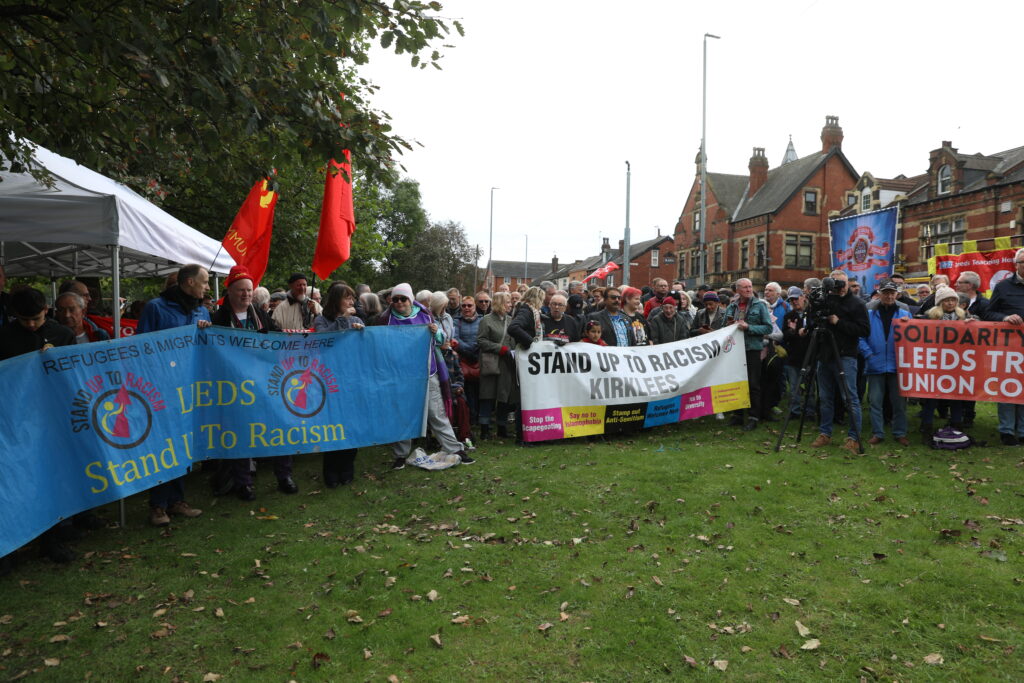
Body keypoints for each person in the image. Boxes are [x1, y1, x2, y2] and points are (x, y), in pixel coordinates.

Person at [0, 288, 78, 568]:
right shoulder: (5, 337)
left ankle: (52, 539)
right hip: (15, 420)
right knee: (17, 479)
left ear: (46, 309)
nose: (31, 324)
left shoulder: (62, 335)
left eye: (35, 318)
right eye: (24, 320)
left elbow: (75, 373)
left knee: (51, 478)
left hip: (51, 418)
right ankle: (12, 545)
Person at [211, 267, 296, 500]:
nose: (246, 295)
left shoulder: (259, 313)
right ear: (229, 292)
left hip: (264, 382)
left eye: (249, 290)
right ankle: (244, 482)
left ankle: (284, 475)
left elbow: (276, 337)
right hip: (236, 386)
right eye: (241, 290)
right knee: (240, 432)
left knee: (279, 426)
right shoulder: (218, 318)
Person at [136, 264, 210, 526]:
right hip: (161, 389)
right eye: (204, 282)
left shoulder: (202, 311)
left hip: (188, 389)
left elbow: (206, 349)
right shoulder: (156, 307)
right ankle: (157, 505)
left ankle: (177, 500)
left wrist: (205, 330)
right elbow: (141, 346)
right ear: (189, 282)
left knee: (182, 445)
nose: (207, 287)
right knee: (162, 445)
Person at [384, 283, 471, 467]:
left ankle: (455, 449)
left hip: (427, 372)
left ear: (410, 299)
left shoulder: (424, 315)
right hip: (401, 376)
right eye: (395, 299)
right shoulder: (386, 319)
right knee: (403, 415)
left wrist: (436, 332)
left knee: (436, 413)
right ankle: (400, 455)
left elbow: (440, 340)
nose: (399, 302)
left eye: (403, 298)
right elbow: (375, 340)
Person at [809, 270, 870, 454]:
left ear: (848, 283)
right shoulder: (826, 300)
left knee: (849, 398)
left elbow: (864, 330)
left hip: (845, 355)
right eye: (836, 284)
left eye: (843, 284)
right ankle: (825, 433)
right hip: (824, 354)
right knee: (825, 397)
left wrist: (839, 322)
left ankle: (854, 438)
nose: (840, 288)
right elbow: (813, 321)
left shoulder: (857, 303)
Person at [313, 283, 365, 486]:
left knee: (351, 424)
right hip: (330, 381)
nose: (351, 302)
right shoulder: (320, 320)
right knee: (333, 425)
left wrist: (361, 333)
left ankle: (347, 467)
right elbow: (323, 340)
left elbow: (365, 346)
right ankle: (331, 470)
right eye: (347, 298)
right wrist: (342, 321)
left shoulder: (357, 319)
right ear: (336, 300)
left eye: (353, 298)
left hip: (351, 380)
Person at [859, 280, 911, 446]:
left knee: (899, 404)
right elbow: (860, 336)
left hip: (898, 366)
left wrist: (906, 357)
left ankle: (900, 432)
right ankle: (878, 433)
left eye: (892, 292)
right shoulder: (869, 312)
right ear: (879, 293)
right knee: (875, 402)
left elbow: (913, 337)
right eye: (885, 292)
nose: (889, 296)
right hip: (875, 364)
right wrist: (868, 354)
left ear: (897, 294)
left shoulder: (904, 313)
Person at [984, 249, 1024, 444]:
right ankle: (1007, 431)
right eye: (1023, 262)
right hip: (1009, 349)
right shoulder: (1002, 287)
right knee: (1008, 388)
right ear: (1016, 264)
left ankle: (1023, 431)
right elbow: (989, 313)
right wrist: (1005, 318)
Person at [722, 278, 774, 430]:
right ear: (737, 290)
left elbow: (768, 328)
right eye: (745, 287)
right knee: (736, 383)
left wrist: (748, 327)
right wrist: (729, 326)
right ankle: (737, 415)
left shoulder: (760, 305)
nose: (749, 290)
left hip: (752, 349)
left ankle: (753, 417)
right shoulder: (732, 306)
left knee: (753, 384)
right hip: (735, 350)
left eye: (750, 287)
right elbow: (723, 327)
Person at [921, 286, 969, 437]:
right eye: (947, 300)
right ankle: (927, 424)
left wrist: (975, 323)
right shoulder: (930, 316)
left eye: (953, 300)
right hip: (935, 361)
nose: (950, 303)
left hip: (957, 361)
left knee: (956, 394)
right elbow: (917, 328)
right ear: (940, 302)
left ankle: (956, 422)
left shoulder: (964, 317)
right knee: (932, 395)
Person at [476, 291, 515, 440]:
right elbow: (481, 340)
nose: (510, 305)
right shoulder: (486, 320)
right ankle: (484, 430)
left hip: (506, 364)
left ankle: (502, 428)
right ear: (499, 303)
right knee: (487, 396)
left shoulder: (511, 320)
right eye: (507, 302)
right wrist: (499, 348)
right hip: (490, 362)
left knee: (503, 396)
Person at [954, 270, 988, 427]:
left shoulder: (985, 304)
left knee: (970, 383)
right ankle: (955, 414)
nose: (956, 284)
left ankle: (969, 415)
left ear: (970, 285)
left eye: (960, 282)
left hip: (975, 352)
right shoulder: (952, 299)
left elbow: (990, 326)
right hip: (954, 352)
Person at [781, 286, 812, 419]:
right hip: (793, 356)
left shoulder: (812, 313)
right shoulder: (789, 316)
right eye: (791, 300)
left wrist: (806, 332)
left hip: (810, 355)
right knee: (794, 387)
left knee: (810, 387)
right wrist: (793, 332)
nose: (794, 302)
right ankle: (795, 411)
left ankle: (810, 412)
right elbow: (784, 335)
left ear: (803, 297)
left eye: (796, 298)